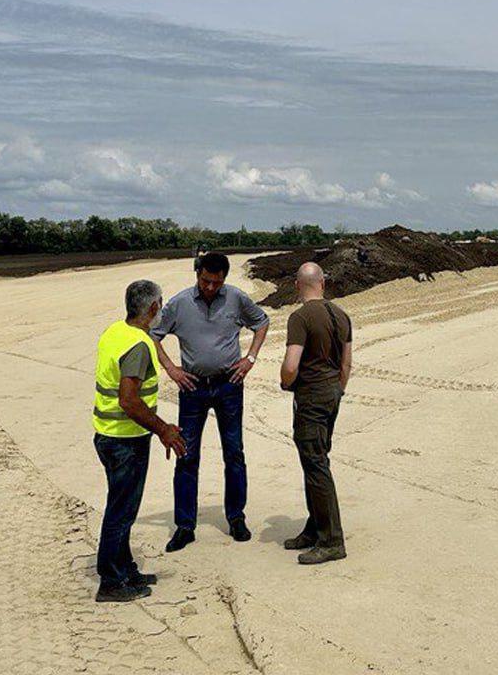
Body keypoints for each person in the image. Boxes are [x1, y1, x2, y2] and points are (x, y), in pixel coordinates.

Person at [152, 252, 270, 551]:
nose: (210, 288)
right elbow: (153, 336)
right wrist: (171, 369)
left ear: (224, 279)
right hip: (192, 388)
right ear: (197, 274)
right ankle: (184, 525)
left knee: (234, 453)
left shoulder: (236, 298)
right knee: (186, 455)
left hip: (229, 384)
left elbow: (261, 323)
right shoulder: (179, 303)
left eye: (216, 283)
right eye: (205, 281)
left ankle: (236, 517)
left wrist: (250, 359)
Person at [93, 279, 187, 603]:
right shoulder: (138, 345)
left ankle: (126, 568)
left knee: (124, 507)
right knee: (121, 511)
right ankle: (110, 580)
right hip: (124, 441)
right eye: (160, 304)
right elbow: (129, 400)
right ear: (153, 308)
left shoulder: (115, 332)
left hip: (108, 435)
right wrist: (163, 429)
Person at [279, 262, 352, 564]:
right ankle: (315, 526)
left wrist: (286, 382)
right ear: (323, 282)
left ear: (298, 286)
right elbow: (346, 364)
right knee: (317, 459)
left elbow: (291, 364)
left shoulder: (300, 317)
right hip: (332, 392)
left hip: (311, 397)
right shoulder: (342, 314)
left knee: (316, 465)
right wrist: (338, 390)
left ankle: (332, 540)